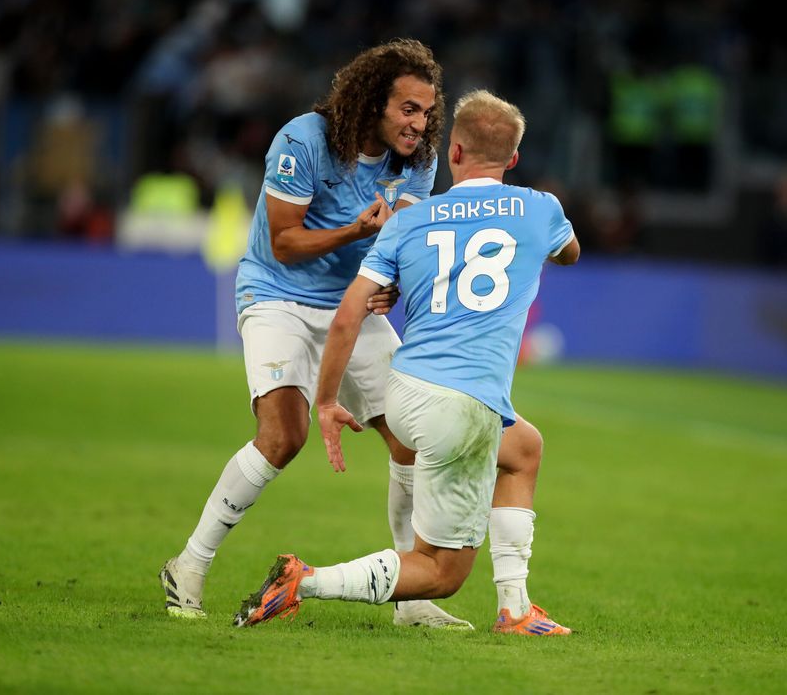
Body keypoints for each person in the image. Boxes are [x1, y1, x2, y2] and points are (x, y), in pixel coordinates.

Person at [159, 39, 555, 633]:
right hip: (278, 297)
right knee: (283, 436)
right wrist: (352, 232)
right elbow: (285, 242)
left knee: (409, 441)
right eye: (408, 110)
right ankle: (189, 565)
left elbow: (401, 248)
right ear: (373, 102)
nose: (419, 125)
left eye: (427, 113)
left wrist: (395, 285)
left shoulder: (417, 162)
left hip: (355, 305)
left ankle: (412, 601)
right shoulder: (303, 141)